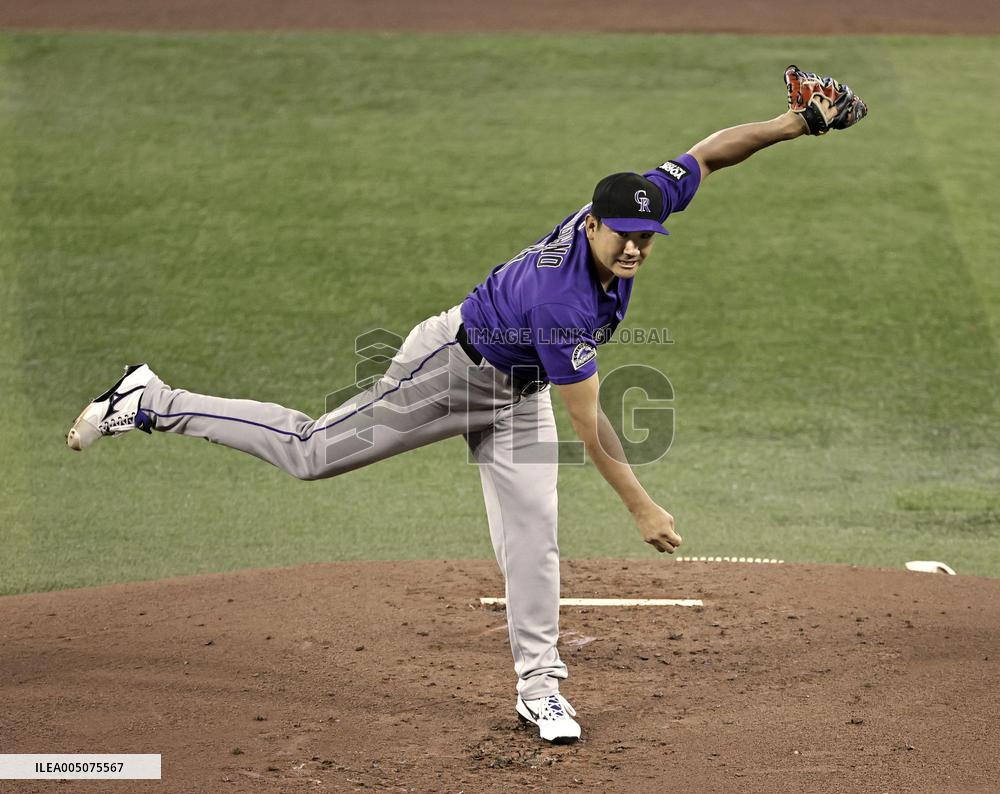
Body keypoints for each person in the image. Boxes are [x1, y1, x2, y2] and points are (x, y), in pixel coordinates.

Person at [67, 66, 866, 744]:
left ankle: (540, 684)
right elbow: (590, 424)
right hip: (449, 371)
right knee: (312, 452)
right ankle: (152, 399)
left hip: (512, 391)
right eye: (622, 235)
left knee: (533, 534)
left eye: (647, 237)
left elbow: (707, 157)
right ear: (591, 224)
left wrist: (793, 124)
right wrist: (642, 507)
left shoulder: (639, 205)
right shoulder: (563, 304)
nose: (634, 248)